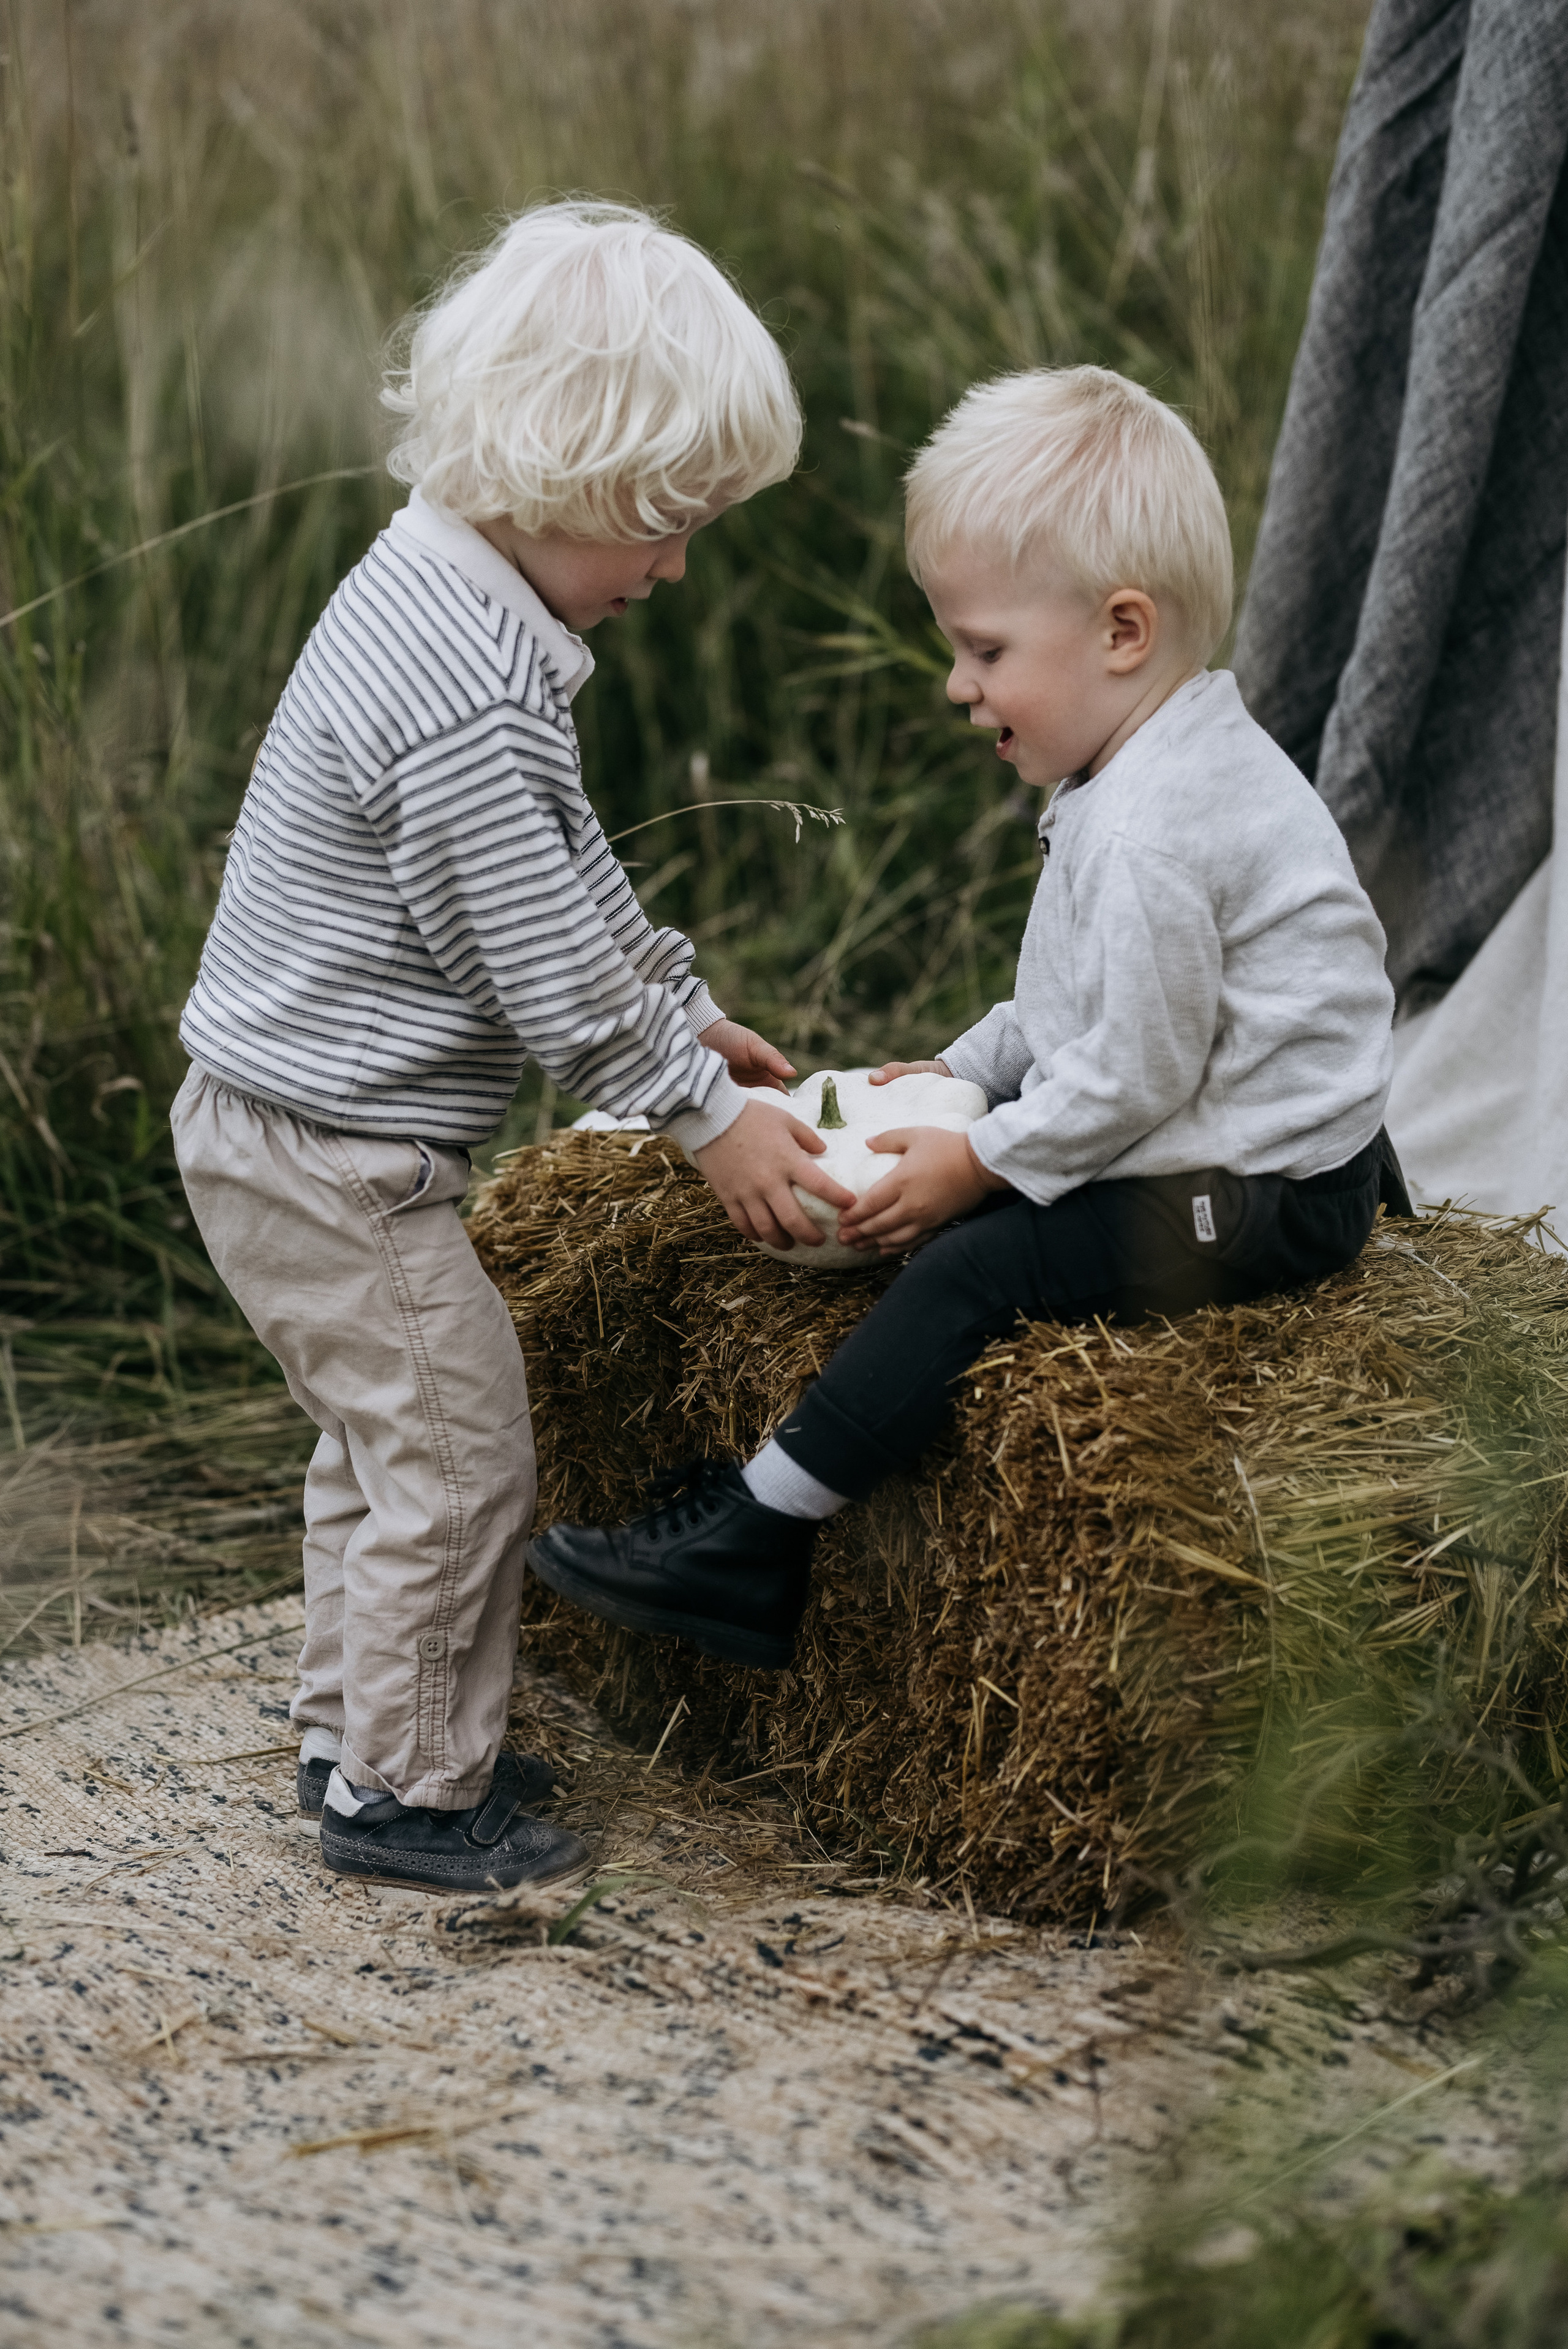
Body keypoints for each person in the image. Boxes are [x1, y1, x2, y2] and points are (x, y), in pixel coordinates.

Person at [170, 201, 854, 1893]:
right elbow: (534, 957)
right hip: (332, 1156)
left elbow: (560, 864)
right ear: (572, 471)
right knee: (465, 1457)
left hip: (282, 1127)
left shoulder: (441, 597)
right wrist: (695, 1109)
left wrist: (675, 998)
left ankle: (361, 1737)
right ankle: (408, 1797)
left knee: (384, 1448)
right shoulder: (466, 686)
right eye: (667, 525)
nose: (674, 569)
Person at [527, 365, 1407, 1671]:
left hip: (1269, 1188)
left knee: (975, 1266)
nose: (956, 684)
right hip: (1257, 1125)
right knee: (991, 1192)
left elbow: (1138, 1073)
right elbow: (1073, 1001)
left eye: (984, 651)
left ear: (1121, 631)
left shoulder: (1154, 830)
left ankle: (754, 1538)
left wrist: (980, 1161)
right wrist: (960, 1066)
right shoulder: (1142, 763)